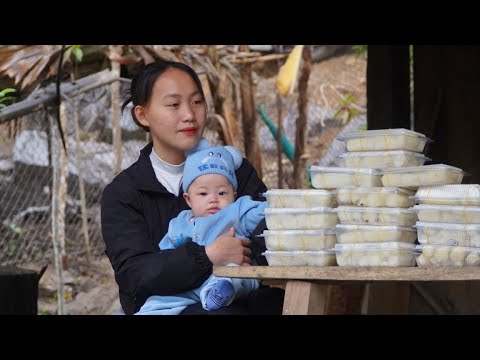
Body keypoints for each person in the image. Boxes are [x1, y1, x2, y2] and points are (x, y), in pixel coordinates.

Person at [101, 58, 285, 315]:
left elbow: (269, 236)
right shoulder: (124, 193)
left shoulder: (236, 171)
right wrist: (208, 255)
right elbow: (136, 274)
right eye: (174, 105)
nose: (189, 115)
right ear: (142, 115)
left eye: (197, 102)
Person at [136, 141, 268, 314]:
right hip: (187, 286)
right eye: (203, 194)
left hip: (230, 275)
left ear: (234, 196)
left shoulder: (237, 210)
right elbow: (164, 255)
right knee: (156, 302)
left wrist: (278, 206)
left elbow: (265, 212)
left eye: (222, 193)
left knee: (232, 276)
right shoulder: (179, 223)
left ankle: (217, 295)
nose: (213, 199)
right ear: (188, 199)